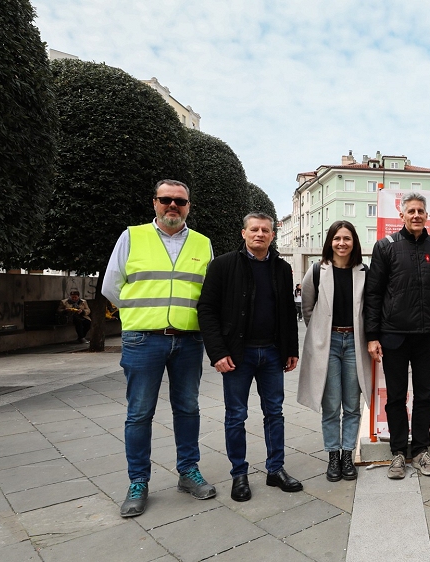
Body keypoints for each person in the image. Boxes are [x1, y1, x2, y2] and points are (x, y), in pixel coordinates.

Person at [101, 179, 215, 518]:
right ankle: (138, 481)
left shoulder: (202, 243)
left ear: (188, 207)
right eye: (166, 200)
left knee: (188, 408)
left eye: (180, 201)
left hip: (188, 339)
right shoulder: (132, 236)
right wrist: (139, 316)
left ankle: (188, 471)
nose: (173, 206)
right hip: (143, 338)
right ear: (154, 202)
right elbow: (111, 286)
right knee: (139, 413)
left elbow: (208, 294)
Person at [197, 212, 302, 502]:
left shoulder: (282, 268)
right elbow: (206, 310)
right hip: (236, 355)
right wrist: (217, 352)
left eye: (265, 230)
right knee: (236, 416)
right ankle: (239, 474)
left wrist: (291, 349)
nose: (260, 234)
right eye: (254, 229)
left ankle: (275, 470)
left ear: (272, 235)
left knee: (274, 413)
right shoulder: (222, 265)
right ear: (243, 233)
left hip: (271, 352)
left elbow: (287, 313)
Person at [365, 192, 430, 480]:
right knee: (396, 397)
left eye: (420, 210)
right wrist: (373, 335)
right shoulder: (385, 247)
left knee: (424, 396)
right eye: (411, 211)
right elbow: (373, 294)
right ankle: (398, 452)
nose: (416, 215)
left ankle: (421, 449)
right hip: (394, 336)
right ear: (402, 215)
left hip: (427, 336)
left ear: (427, 215)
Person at [297, 221, 371, 482]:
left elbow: (370, 310)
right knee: (330, 405)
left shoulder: (364, 272)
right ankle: (332, 456)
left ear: (354, 242)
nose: (342, 243)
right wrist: (320, 333)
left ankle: (348, 456)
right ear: (330, 242)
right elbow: (308, 309)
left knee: (352, 404)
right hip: (327, 344)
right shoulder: (316, 271)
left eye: (347, 239)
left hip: (354, 344)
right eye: (337, 238)